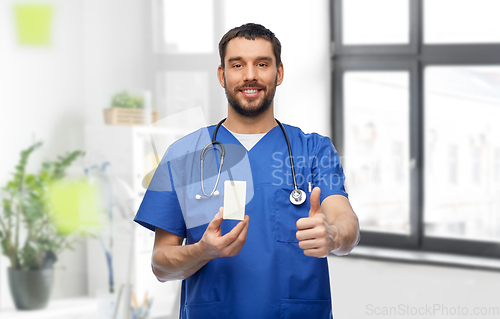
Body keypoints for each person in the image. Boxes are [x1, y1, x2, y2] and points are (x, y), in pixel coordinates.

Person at [134, 23, 360, 319]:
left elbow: (347, 222)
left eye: (262, 64)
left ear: (278, 73)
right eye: (237, 64)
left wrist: (333, 236)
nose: (250, 75)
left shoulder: (314, 150)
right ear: (222, 75)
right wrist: (202, 251)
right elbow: (161, 264)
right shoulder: (183, 155)